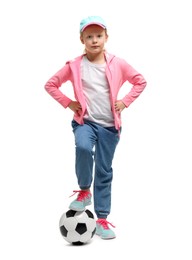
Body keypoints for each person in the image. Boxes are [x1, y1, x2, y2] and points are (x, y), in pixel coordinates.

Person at [44, 16, 147, 239]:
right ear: (82, 39)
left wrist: (125, 101)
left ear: (106, 38)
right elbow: (50, 84)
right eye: (89, 36)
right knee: (82, 147)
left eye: (98, 36)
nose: (94, 40)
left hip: (110, 127)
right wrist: (69, 103)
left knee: (103, 171)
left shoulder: (117, 63)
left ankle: (101, 218)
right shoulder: (74, 65)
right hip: (86, 122)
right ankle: (84, 191)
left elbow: (140, 81)